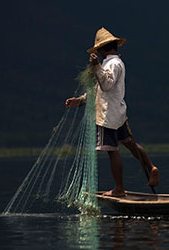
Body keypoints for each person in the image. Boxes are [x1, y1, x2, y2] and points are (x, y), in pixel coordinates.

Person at [65, 27, 159, 197]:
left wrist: (96, 67)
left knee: (112, 151)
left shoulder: (113, 64)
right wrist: (80, 101)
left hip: (108, 115)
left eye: (99, 49)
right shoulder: (111, 63)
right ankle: (151, 167)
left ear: (104, 48)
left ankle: (119, 189)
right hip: (118, 113)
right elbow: (98, 91)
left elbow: (106, 85)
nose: (98, 53)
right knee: (130, 144)